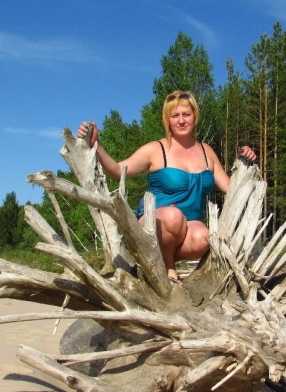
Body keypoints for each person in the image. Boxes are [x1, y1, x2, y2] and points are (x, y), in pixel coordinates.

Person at [78, 90, 256, 286]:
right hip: (153, 225)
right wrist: (97, 144)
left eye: (186, 114)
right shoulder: (156, 149)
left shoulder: (207, 151)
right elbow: (117, 170)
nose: (181, 120)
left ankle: (159, 260)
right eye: (175, 116)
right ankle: (167, 268)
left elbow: (231, 188)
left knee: (204, 237)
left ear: (195, 117)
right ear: (167, 120)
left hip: (187, 228)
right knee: (173, 216)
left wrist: (244, 161)